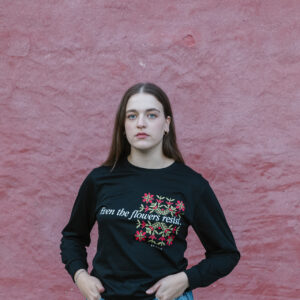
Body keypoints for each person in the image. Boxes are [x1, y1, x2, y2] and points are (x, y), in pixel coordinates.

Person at [60, 82, 241, 300]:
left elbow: (226, 254)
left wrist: (185, 280)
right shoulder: (100, 180)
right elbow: (72, 237)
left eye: (152, 115)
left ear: (166, 124)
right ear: (123, 126)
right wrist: (81, 276)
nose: (141, 124)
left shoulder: (191, 185)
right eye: (132, 116)